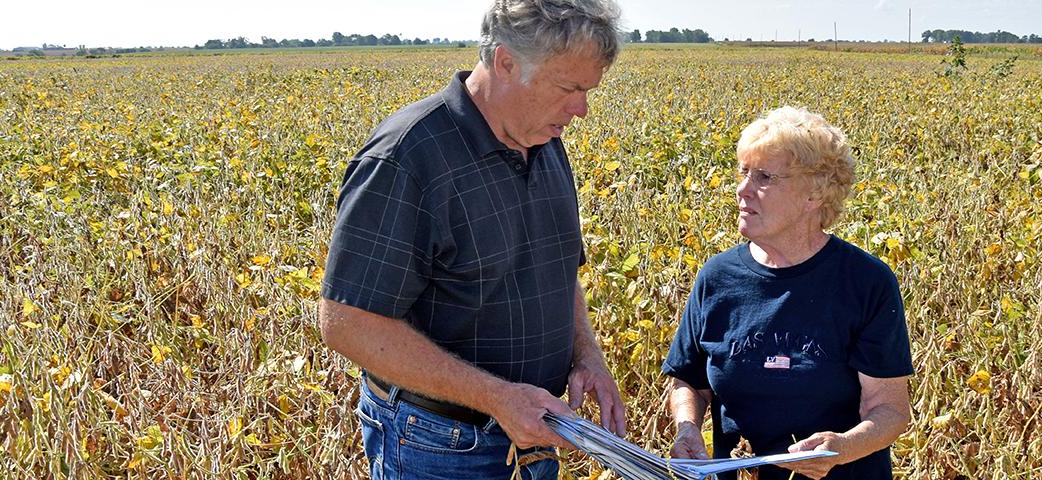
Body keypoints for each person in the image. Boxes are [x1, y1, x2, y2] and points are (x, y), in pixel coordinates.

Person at [318, 1, 627, 478]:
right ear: (505, 62)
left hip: (535, 435)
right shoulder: (407, 157)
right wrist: (498, 397)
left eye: (588, 91)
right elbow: (349, 323)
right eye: (569, 88)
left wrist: (586, 355)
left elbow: (556, 270)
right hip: (439, 445)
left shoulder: (543, 141)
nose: (581, 110)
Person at [662, 107, 914, 480]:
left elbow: (890, 411)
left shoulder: (865, 283)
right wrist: (687, 427)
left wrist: (842, 448)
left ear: (814, 194)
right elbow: (690, 381)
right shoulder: (717, 277)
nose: (742, 189)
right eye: (743, 172)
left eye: (763, 177)